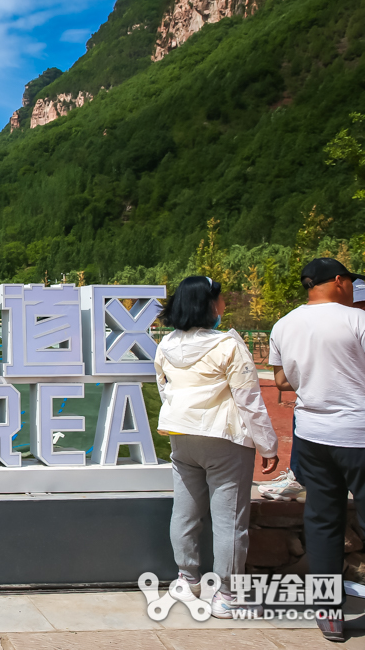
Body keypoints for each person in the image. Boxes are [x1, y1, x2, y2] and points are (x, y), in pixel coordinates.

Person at [155, 276, 278, 618]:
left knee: (185, 513)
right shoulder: (228, 345)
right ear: (208, 304)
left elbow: (166, 391)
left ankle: (186, 578)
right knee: (230, 522)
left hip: (181, 438)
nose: (224, 305)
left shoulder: (166, 345)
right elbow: (249, 400)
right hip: (223, 439)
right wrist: (268, 446)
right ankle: (228, 595)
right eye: (221, 299)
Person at [270, 257, 365, 642]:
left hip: (312, 435)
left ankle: (328, 615)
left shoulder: (284, 324)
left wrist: (316, 375)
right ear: (339, 281)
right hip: (358, 432)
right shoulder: (357, 321)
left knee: (323, 521)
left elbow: (281, 380)